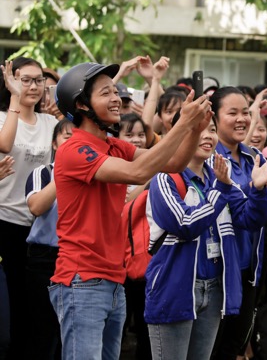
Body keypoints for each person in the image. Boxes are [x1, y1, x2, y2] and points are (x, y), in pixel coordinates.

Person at [50, 62, 211, 360]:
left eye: (115, 90)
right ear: (82, 104)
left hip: (113, 280)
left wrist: (194, 130)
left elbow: (173, 164)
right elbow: (138, 173)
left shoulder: (113, 145)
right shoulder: (74, 149)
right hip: (81, 280)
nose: (115, 98)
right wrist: (184, 125)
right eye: (105, 93)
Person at [144, 118, 267, 359]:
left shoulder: (219, 176)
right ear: (179, 134)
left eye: (212, 130)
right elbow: (186, 225)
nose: (208, 136)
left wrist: (258, 189)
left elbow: (250, 218)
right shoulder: (166, 177)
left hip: (215, 288)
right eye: (199, 129)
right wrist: (220, 190)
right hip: (176, 287)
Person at [0, 57, 59, 358]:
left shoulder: (51, 124)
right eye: (26, 79)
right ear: (11, 80)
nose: (34, 86)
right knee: (7, 313)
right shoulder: (2, 118)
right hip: (5, 221)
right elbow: (5, 145)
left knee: (32, 311)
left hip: (38, 229)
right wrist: (13, 98)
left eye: (39, 80)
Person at [24, 118, 75, 360]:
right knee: (42, 329)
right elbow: (36, 206)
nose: (72, 142)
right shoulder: (42, 173)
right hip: (44, 258)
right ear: (54, 143)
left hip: (76, 259)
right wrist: (64, 174)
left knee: (69, 332)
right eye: (67, 137)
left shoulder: (92, 174)